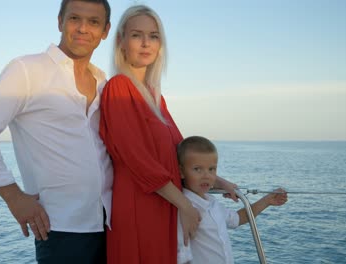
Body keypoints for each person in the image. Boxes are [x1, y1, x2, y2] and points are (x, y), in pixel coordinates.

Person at [0, 0, 113, 263]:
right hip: (60, 228)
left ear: (105, 30)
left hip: (110, 223)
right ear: (60, 21)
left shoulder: (103, 81)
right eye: (75, 18)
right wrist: (14, 198)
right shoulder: (27, 69)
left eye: (94, 22)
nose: (83, 28)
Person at [98, 5, 237, 264]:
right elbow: (136, 159)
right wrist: (185, 206)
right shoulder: (118, 88)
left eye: (154, 36)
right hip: (140, 204)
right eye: (137, 35)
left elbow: (181, 155)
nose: (146, 43)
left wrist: (220, 182)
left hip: (164, 204)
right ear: (121, 41)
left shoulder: (154, 97)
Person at [176, 136, 288, 264]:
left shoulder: (213, 203)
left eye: (211, 169)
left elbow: (238, 218)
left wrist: (267, 201)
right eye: (197, 169)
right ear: (181, 172)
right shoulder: (185, 210)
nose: (206, 176)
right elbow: (182, 256)